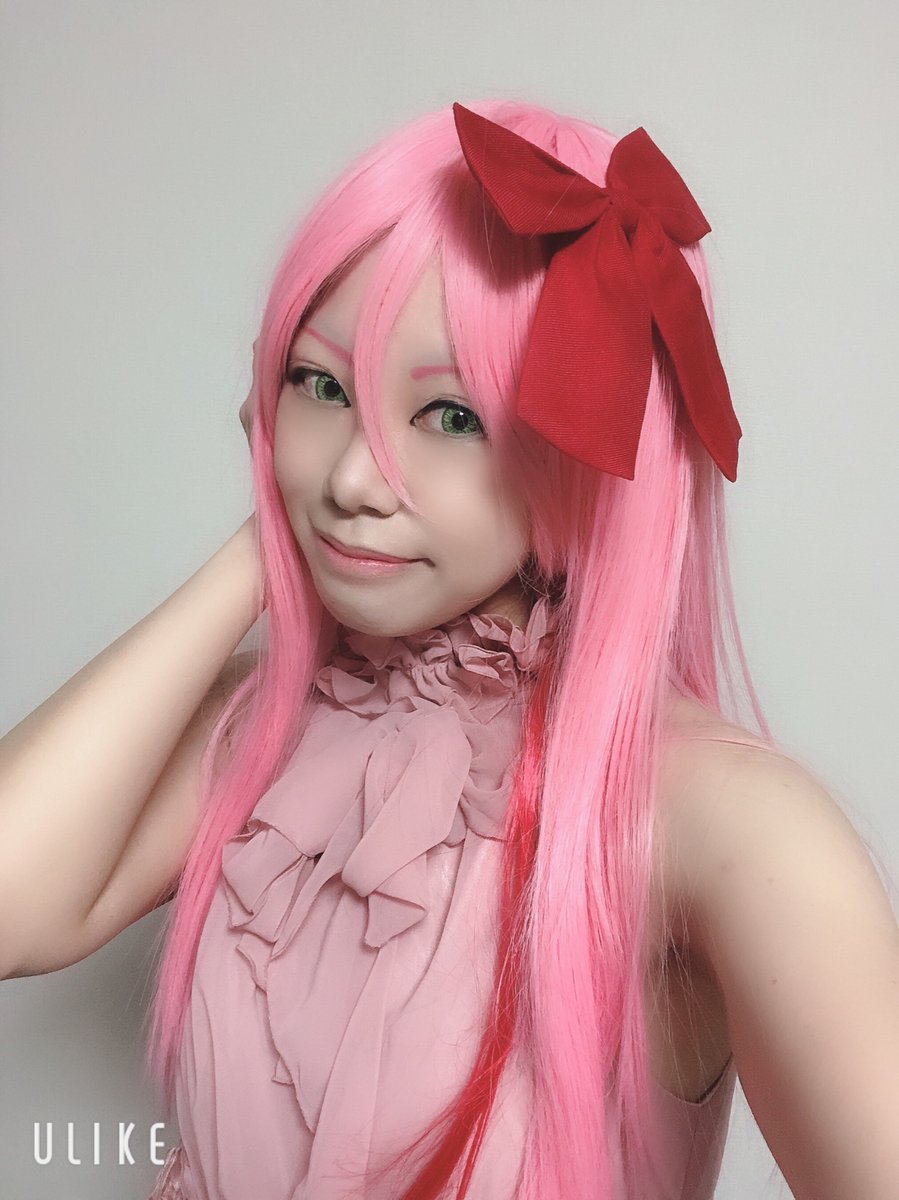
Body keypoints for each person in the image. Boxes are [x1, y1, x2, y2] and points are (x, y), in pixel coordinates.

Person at [1, 99, 896, 1200]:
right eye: (320, 385)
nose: (352, 479)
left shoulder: (722, 824)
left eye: (451, 416)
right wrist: (269, 541)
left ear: (586, 445)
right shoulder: (269, 730)